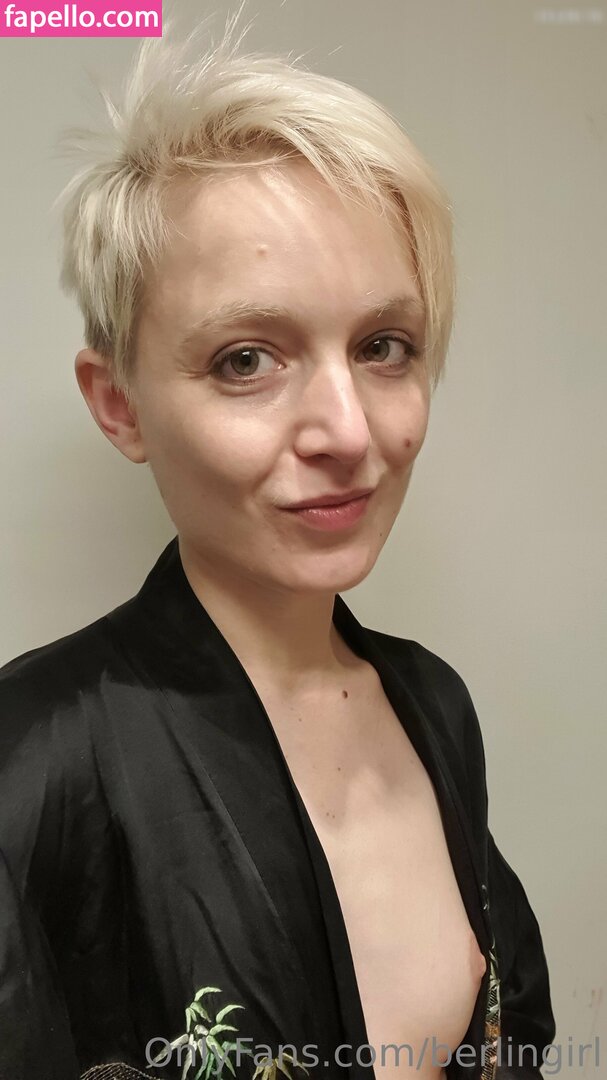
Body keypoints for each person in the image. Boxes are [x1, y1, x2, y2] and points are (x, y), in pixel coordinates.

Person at [0, 14, 555, 1080]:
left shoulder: (433, 707)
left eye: (384, 346)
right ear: (119, 405)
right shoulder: (32, 761)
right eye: (246, 359)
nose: (348, 431)